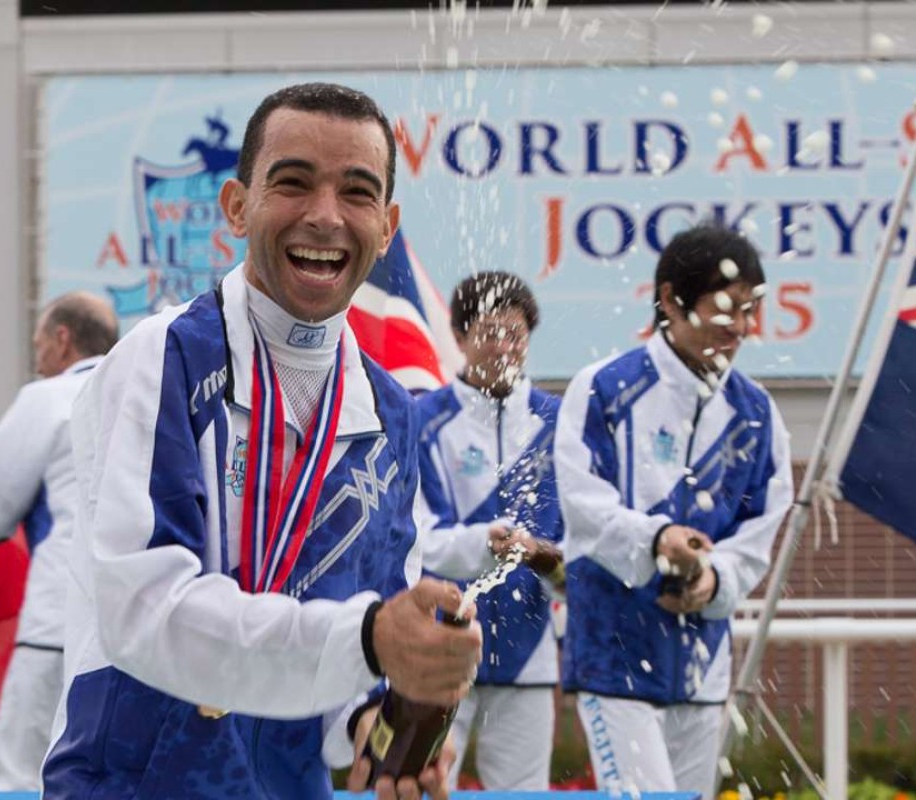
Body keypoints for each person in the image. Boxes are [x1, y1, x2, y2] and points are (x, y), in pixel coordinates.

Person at [42, 82, 482, 800]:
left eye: (357, 193)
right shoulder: (167, 358)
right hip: (131, 784)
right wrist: (371, 641)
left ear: (388, 224)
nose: (324, 216)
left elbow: (363, 626)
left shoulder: (392, 415)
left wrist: (386, 718)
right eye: (294, 182)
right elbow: (141, 609)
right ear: (237, 206)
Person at [554, 223, 794, 799]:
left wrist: (714, 582)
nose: (739, 328)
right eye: (725, 309)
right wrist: (657, 539)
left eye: (748, 312)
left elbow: (760, 530)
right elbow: (583, 503)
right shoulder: (605, 388)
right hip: (613, 653)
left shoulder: (757, 414)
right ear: (669, 299)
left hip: (701, 665)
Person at [0, 292, 118, 790]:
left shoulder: (47, 398)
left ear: (62, 340)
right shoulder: (141, 393)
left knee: (20, 779)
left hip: (58, 626)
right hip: (137, 633)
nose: (36, 357)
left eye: (38, 342)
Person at [415, 271, 563, 791]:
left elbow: (579, 543)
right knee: (426, 786)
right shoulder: (421, 420)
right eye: (489, 333)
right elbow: (415, 541)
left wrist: (542, 553)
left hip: (529, 651)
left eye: (515, 335)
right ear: (458, 338)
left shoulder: (558, 422)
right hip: (442, 644)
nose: (503, 347)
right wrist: (484, 542)